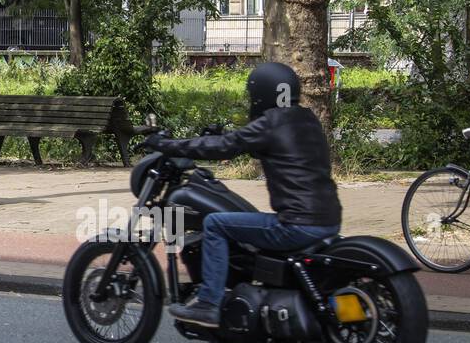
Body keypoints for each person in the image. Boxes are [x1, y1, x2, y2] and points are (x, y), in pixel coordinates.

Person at [143, 62, 343, 328]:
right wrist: (224, 136)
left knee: (214, 223)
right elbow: (251, 144)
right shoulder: (305, 119)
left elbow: (226, 148)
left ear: (262, 93)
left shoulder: (271, 122)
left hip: (296, 225)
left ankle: (209, 304)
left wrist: (166, 145)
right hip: (328, 221)